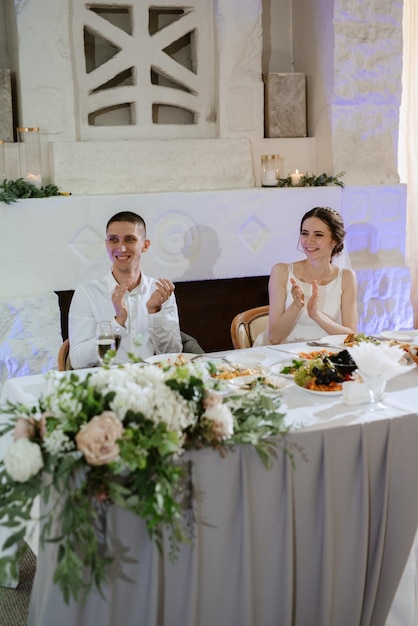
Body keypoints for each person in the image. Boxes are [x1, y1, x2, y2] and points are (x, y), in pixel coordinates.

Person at [69, 211, 183, 368]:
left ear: (145, 245)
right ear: (107, 244)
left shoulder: (160, 292)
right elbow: (78, 361)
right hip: (105, 385)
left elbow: (173, 354)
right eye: (114, 240)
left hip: (151, 382)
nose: (121, 248)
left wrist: (155, 312)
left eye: (130, 239)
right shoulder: (87, 293)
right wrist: (118, 322)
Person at [256, 206, 358, 345]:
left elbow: (350, 337)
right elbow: (274, 338)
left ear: (334, 240)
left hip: (325, 353)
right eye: (305, 233)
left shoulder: (346, 277)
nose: (309, 240)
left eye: (318, 234)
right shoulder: (281, 272)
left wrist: (316, 315)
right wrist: (296, 305)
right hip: (285, 353)